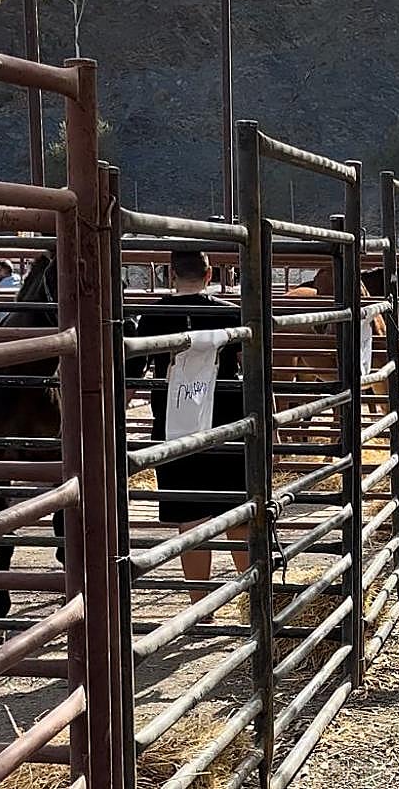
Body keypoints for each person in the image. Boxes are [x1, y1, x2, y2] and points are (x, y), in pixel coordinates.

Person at [126, 250, 250, 604]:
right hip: (228, 423)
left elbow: (132, 378)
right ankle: (250, 599)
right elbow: (254, 374)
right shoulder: (229, 314)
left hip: (175, 426)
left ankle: (201, 605)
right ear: (210, 274)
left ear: (169, 274)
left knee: (190, 518)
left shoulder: (152, 317)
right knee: (237, 515)